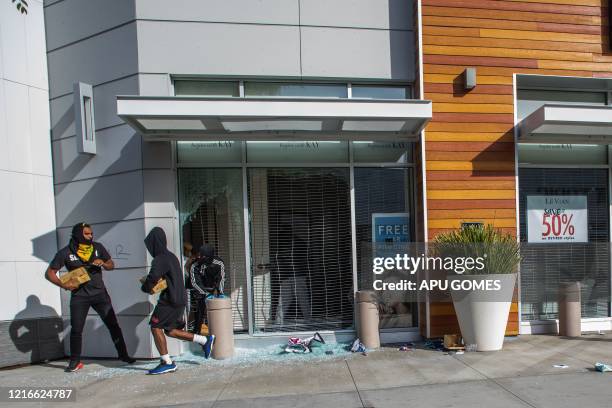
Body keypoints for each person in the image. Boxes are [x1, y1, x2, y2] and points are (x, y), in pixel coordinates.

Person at [46, 222, 135, 372]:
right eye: (87, 234)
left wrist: (104, 264)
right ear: (78, 234)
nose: (90, 236)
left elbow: (111, 264)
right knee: (76, 329)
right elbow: (49, 273)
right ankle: (74, 362)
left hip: (100, 295)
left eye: (91, 233)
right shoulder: (66, 252)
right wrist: (64, 285)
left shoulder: (98, 247)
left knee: (113, 325)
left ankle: (124, 355)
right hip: (79, 297)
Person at [141, 227, 215, 375]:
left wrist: (146, 286)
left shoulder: (160, 259)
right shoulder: (171, 256)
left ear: (154, 244)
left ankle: (166, 362)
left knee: (155, 327)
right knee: (170, 330)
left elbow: (152, 278)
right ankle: (204, 340)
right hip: (179, 299)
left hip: (170, 300)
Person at [188, 244, 226, 334]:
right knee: (200, 311)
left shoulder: (218, 263)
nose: (200, 257)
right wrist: (204, 293)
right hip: (199, 289)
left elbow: (221, 277)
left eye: (203, 256)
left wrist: (220, 291)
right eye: (200, 255)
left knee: (214, 311)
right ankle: (197, 332)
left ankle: (215, 332)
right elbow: (195, 282)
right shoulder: (195, 265)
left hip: (212, 288)